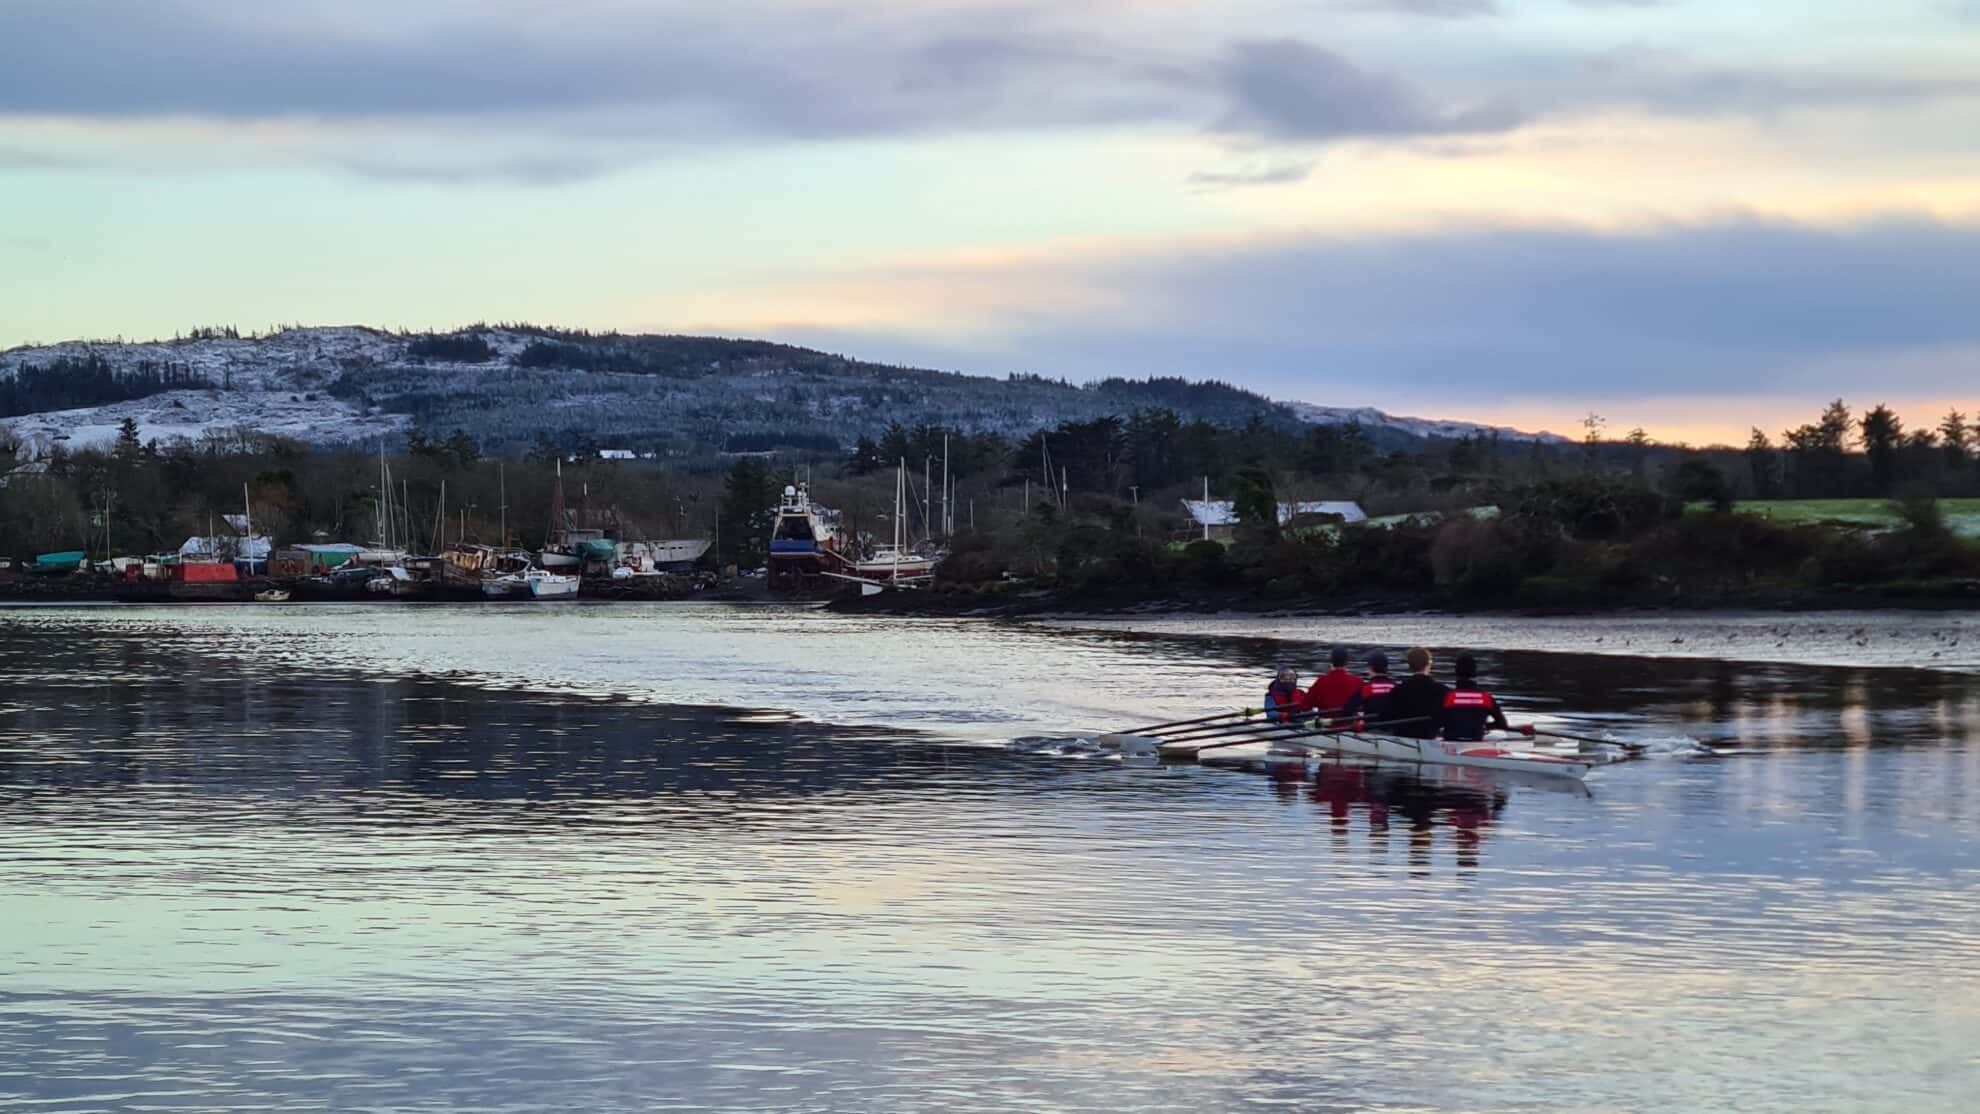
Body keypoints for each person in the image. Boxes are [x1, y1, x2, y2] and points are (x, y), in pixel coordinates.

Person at [1440, 654, 1530, 742]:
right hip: (1475, 741)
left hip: (1450, 741)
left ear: (1456, 672)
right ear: (1475, 673)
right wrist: (1483, 726)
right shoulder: (1486, 698)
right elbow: (1502, 725)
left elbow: (1436, 722)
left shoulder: (1447, 697)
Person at [1383, 647, 1448, 739]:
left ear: (1409, 666)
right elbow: (1444, 718)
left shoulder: (1398, 689)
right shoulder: (1441, 690)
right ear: (1429, 664)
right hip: (1428, 736)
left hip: (1403, 736)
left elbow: (1386, 716)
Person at [1303, 647, 1362, 726]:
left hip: (1327, 727)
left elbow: (1305, 705)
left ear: (1331, 661)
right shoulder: (1357, 681)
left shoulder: (1321, 681)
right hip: (1350, 726)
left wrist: (1319, 703)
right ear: (1346, 662)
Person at [1343, 651, 1397, 725]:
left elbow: (1347, 711)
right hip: (1393, 731)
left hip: (1370, 730)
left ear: (1370, 668)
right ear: (1386, 668)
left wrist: (1358, 719)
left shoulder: (1366, 689)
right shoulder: (1396, 687)